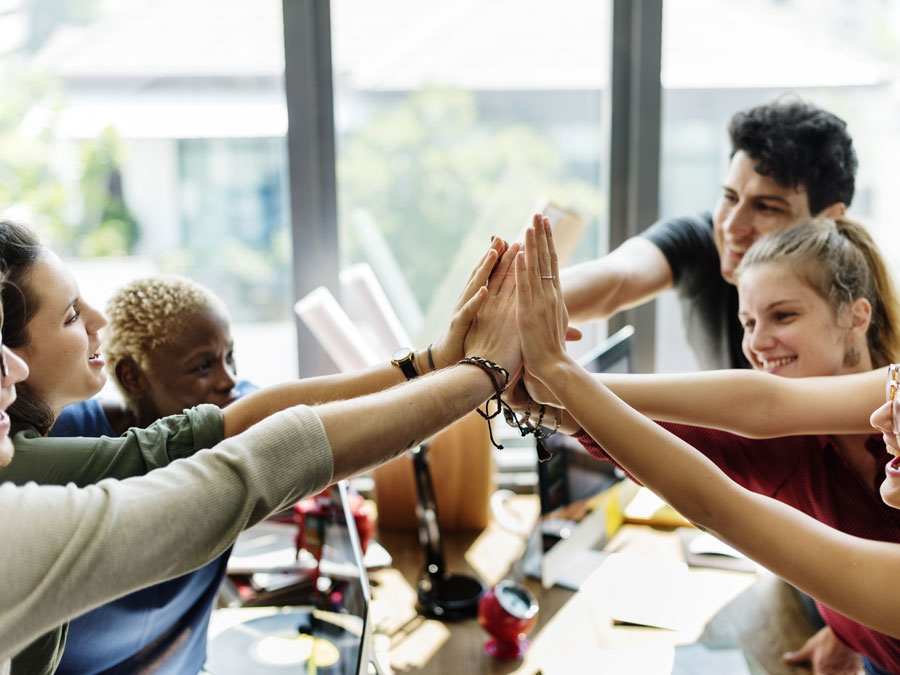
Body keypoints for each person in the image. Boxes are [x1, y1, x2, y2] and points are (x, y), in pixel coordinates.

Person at [0, 218, 518, 672]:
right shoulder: (21, 476)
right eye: (70, 315)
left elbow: (267, 412)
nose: (99, 322)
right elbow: (258, 451)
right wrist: (468, 370)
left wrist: (441, 362)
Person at [516, 217, 900, 675]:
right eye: (748, 322)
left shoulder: (884, 397)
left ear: (856, 317)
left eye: (783, 315)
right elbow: (654, 434)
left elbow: (756, 422)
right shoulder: (796, 448)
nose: (756, 342)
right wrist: (847, 632)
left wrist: (560, 380)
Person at [24, 275, 255, 675]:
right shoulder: (62, 439)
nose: (228, 380)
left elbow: (307, 409)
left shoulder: (241, 411)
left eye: (230, 357)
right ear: (133, 377)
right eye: (203, 366)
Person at [562, 97, 856, 369]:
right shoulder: (705, 240)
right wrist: (525, 302)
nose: (732, 226)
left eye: (766, 207)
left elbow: (766, 405)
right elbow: (618, 277)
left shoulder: (856, 307)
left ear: (830, 220)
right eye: (729, 197)